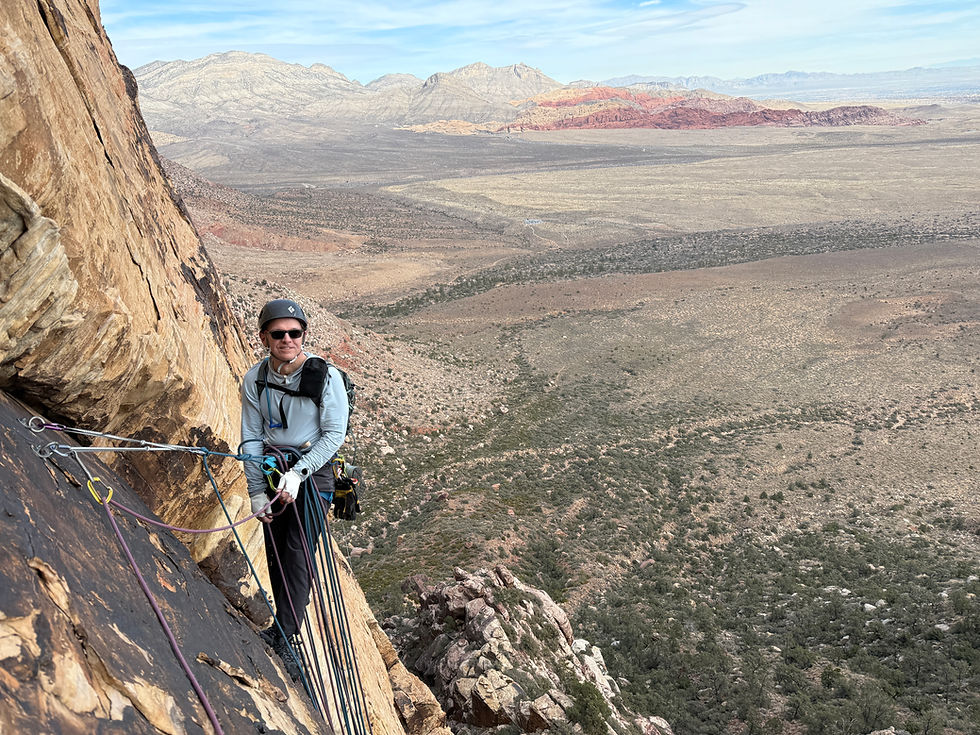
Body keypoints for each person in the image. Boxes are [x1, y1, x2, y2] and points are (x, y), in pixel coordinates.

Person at [240, 298, 349, 672]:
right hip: (273, 467)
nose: (287, 339)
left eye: (295, 332)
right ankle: (281, 629)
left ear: (304, 334)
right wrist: (256, 489)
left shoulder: (325, 376)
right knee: (274, 547)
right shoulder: (255, 378)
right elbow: (251, 436)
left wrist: (300, 473)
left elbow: (334, 434)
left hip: (311, 471)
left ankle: (287, 635)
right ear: (264, 337)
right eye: (278, 333)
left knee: (297, 550)